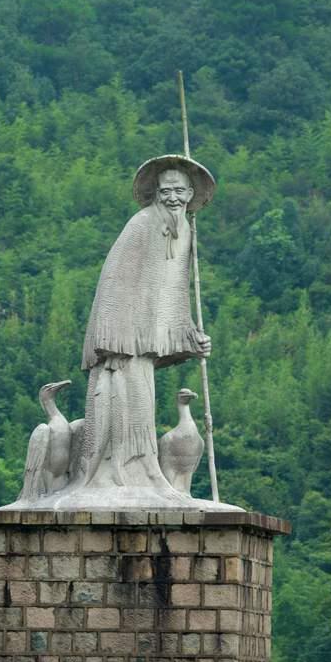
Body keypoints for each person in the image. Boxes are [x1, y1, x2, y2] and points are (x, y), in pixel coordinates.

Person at [80, 154, 215, 489]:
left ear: (189, 194)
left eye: (180, 190)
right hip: (123, 340)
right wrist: (120, 337)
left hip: (143, 340)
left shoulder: (185, 232)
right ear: (156, 192)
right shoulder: (141, 224)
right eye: (166, 190)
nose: (173, 197)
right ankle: (122, 469)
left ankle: (142, 468)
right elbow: (114, 283)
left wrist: (190, 336)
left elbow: (172, 293)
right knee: (127, 395)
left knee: (142, 396)